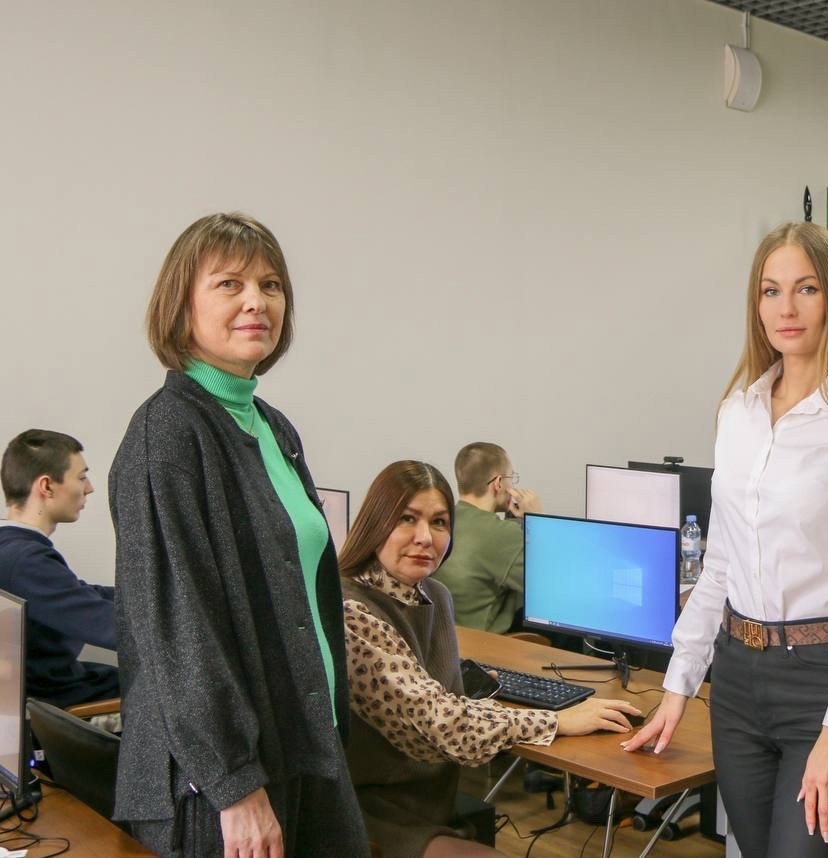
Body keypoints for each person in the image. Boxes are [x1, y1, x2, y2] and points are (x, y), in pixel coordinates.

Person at [625, 222, 828, 856]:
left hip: (824, 679)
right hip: (737, 679)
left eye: (806, 289)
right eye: (770, 290)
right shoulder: (738, 412)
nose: (786, 308)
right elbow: (720, 566)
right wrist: (678, 683)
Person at [110, 213, 369, 856]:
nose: (257, 301)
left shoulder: (273, 427)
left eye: (271, 285)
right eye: (230, 283)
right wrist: (234, 784)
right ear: (181, 306)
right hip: (217, 785)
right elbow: (180, 628)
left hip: (302, 744)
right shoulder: (168, 433)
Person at [338, 459, 641, 858]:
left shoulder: (433, 595)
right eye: (407, 519)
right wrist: (556, 720)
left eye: (439, 522)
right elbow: (441, 725)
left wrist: (469, 691)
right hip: (373, 814)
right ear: (375, 523)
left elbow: (419, 694)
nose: (425, 537)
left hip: (434, 804)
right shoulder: (351, 610)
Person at [0, 429, 117, 707]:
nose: (89, 488)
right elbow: (110, 626)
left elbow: (79, 594)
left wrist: (153, 596)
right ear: (47, 486)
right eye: (81, 477)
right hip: (50, 698)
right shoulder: (26, 560)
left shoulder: (12, 547)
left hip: (54, 682)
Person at [432, 442, 541, 633]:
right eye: (511, 478)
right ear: (498, 483)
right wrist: (537, 520)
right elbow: (550, 586)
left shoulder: (442, 520)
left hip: (441, 636)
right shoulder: (502, 534)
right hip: (481, 644)